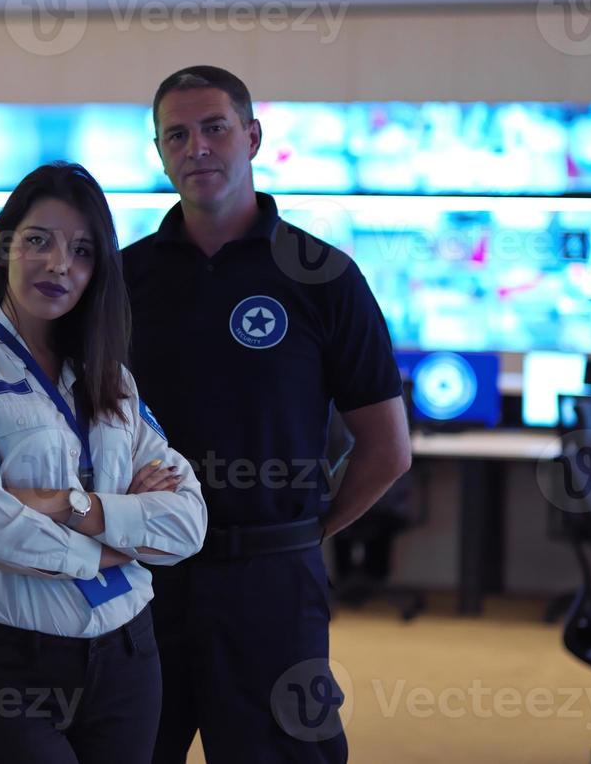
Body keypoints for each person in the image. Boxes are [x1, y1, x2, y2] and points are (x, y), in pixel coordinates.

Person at [122, 67, 411, 763]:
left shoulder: (322, 275)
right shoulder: (121, 279)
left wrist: (305, 534)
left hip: (270, 585)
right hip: (139, 577)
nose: (197, 148)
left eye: (214, 128)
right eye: (177, 135)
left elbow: (386, 448)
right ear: (159, 153)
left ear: (251, 137)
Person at [0, 161, 208, 764]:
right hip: (6, 667)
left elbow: (187, 522)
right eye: (38, 241)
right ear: (2, 249)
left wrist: (68, 506)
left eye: (81, 251)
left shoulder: (112, 380)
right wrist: (111, 545)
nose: (59, 265)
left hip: (128, 659)